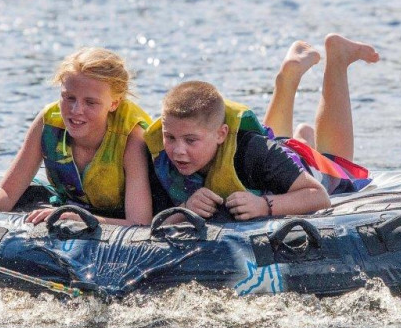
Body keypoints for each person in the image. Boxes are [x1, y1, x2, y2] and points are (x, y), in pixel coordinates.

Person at [146, 33, 378, 221]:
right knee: (279, 150)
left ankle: (338, 58)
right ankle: (288, 84)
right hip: (276, 157)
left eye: (190, 140)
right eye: (170, 137)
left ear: (221, 134)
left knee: (337, 161)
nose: (178, 150)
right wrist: (185, 209)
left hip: (302, 169)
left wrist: (264, 205)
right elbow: (150, 222)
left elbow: (319, 196)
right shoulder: (163, 161)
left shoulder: (253, 152)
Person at [0, 47, 154, 227]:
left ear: (114, 104)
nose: (76, 110)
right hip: (75, 207)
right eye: (69, 97)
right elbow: (8, 191)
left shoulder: (132, 138)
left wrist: (76, 218)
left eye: (90, 102)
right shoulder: (49, 122)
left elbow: (139, 223)